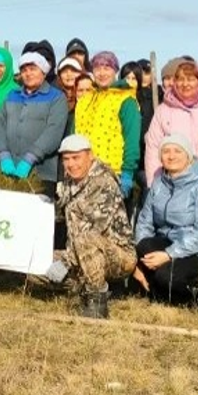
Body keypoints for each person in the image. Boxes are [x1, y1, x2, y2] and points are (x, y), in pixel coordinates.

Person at [45, 134, 135, 318]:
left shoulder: (104, 183)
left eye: (76, 157)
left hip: (118, 256)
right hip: (79, 255)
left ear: (90, 156)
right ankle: (80, 288)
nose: (71, 164)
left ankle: (97, 300)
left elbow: (93, 232)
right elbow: (58, 216)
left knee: (86, 238)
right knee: (39, 261)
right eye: (66, 159)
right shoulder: (69, 183)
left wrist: (65, 261)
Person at [132, 134, 198, 303]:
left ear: (188, 156)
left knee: (165, 277)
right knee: (143, 245)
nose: (171, 156)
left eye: (177, 151)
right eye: (166, 151)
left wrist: (168, 255)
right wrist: (141, 259)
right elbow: (145, 221)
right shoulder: (159, 183)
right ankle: (156, 286)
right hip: (169, 242)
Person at [74, 51, 142, 197]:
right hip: (82, 173)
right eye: (97, 68)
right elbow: (75, 135)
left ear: (115, 70)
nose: (101, 73)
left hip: (112, 173)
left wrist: (127, 173)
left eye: (107, 68)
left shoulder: (125, 101)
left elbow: (132, 139)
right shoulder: (85, 100)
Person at [0, 52, 70, 182]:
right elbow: (0, 126)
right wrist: (3, 154)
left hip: (41, 174)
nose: (28, 74)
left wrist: (30, 157)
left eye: (33, 69)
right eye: (24, 70)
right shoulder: (11, 95)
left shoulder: (56, 98)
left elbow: (53, 132)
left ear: (43, 72)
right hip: (9, 171)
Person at [143, 57, 198, 184]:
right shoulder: (164, 109)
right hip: (172, 182)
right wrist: (154, 183)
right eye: (180, 79)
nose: (185, 84)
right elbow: (153, 147)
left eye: (191, 79)